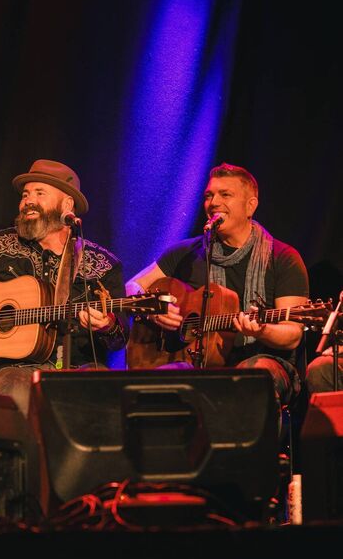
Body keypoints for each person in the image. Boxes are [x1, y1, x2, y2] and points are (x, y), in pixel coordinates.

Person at [0, 159, 128, 415]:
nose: (28, 201)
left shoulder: (104, 264)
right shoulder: (4, 245)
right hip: (17, 369)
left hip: (81, 368)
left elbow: (119, 339)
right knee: (10, 387)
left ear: (67, 204)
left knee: (106, 393)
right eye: (25, 194)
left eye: (39, 193)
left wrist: (107, 325)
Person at [125, 162, 310, 409]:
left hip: (266, 362)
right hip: (196, 364)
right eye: (209, 195)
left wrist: (261, 330)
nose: (213, 202)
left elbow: (293, 334)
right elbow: (132, 287)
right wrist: (155, 309)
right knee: (154, 385)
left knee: (250, 376)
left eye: (226, 195)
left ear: (250, 206)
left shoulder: (283, 258)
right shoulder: (186, 253)